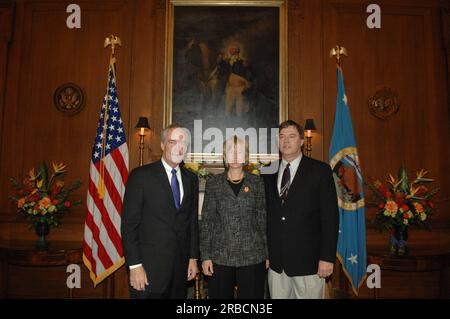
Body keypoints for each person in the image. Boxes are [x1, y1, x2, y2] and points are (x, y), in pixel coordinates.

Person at [121, 124, 199, 299]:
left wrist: (193, 257)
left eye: (183, 143)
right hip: (147, 272)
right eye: (172, 142)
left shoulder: (191, 179)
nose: (178, 147)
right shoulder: (140, 176)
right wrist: (134, 266)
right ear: (163, 145)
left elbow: (192, 222)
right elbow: (129, 225)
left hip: (180, 273)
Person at [263, 120, 339, 299]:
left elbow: (330, 217)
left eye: (291, 136)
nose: (286, 141)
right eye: (282, 137)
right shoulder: (267, 172)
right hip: (276, 264)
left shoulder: (320, 171)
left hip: (309, 263)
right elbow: (263, 217)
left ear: (302, 141)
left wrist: (327, 258)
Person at [200, 136, 268, 299]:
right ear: (225, 156)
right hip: (220, 257)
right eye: (231, 150)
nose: (235, 155)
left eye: (240, 151)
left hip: (252, 256)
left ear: (245, 156)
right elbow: (207, 222)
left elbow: (262, 219)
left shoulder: (257, 182)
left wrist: (267, 254)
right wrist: (206, 256)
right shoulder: (213, 183)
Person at [223, 45, 252, 116]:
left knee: (240, 108)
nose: (232, 52)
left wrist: (246, 84)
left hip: (240, 87)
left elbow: (248, 74)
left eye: (234, 51)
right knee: (228, 107)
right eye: (231, 51)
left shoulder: (243, 62)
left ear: (237, 52)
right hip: (230, 87)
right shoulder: (227, 62)